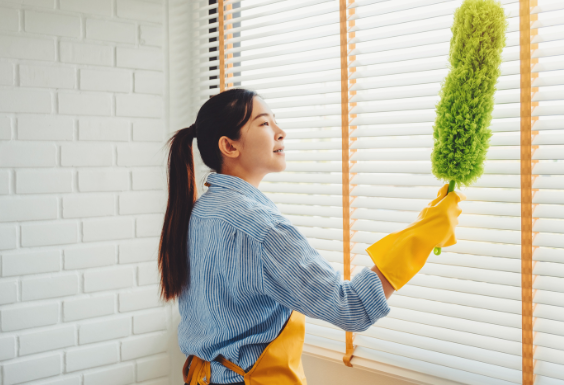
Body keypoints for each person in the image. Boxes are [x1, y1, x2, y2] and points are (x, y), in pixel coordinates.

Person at [159, 88, 464, 385]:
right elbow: (351, 307)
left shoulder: (200, 212)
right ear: (229, 146)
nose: (281, 132)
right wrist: (422, 236)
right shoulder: (261, 228)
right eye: (265, 123)